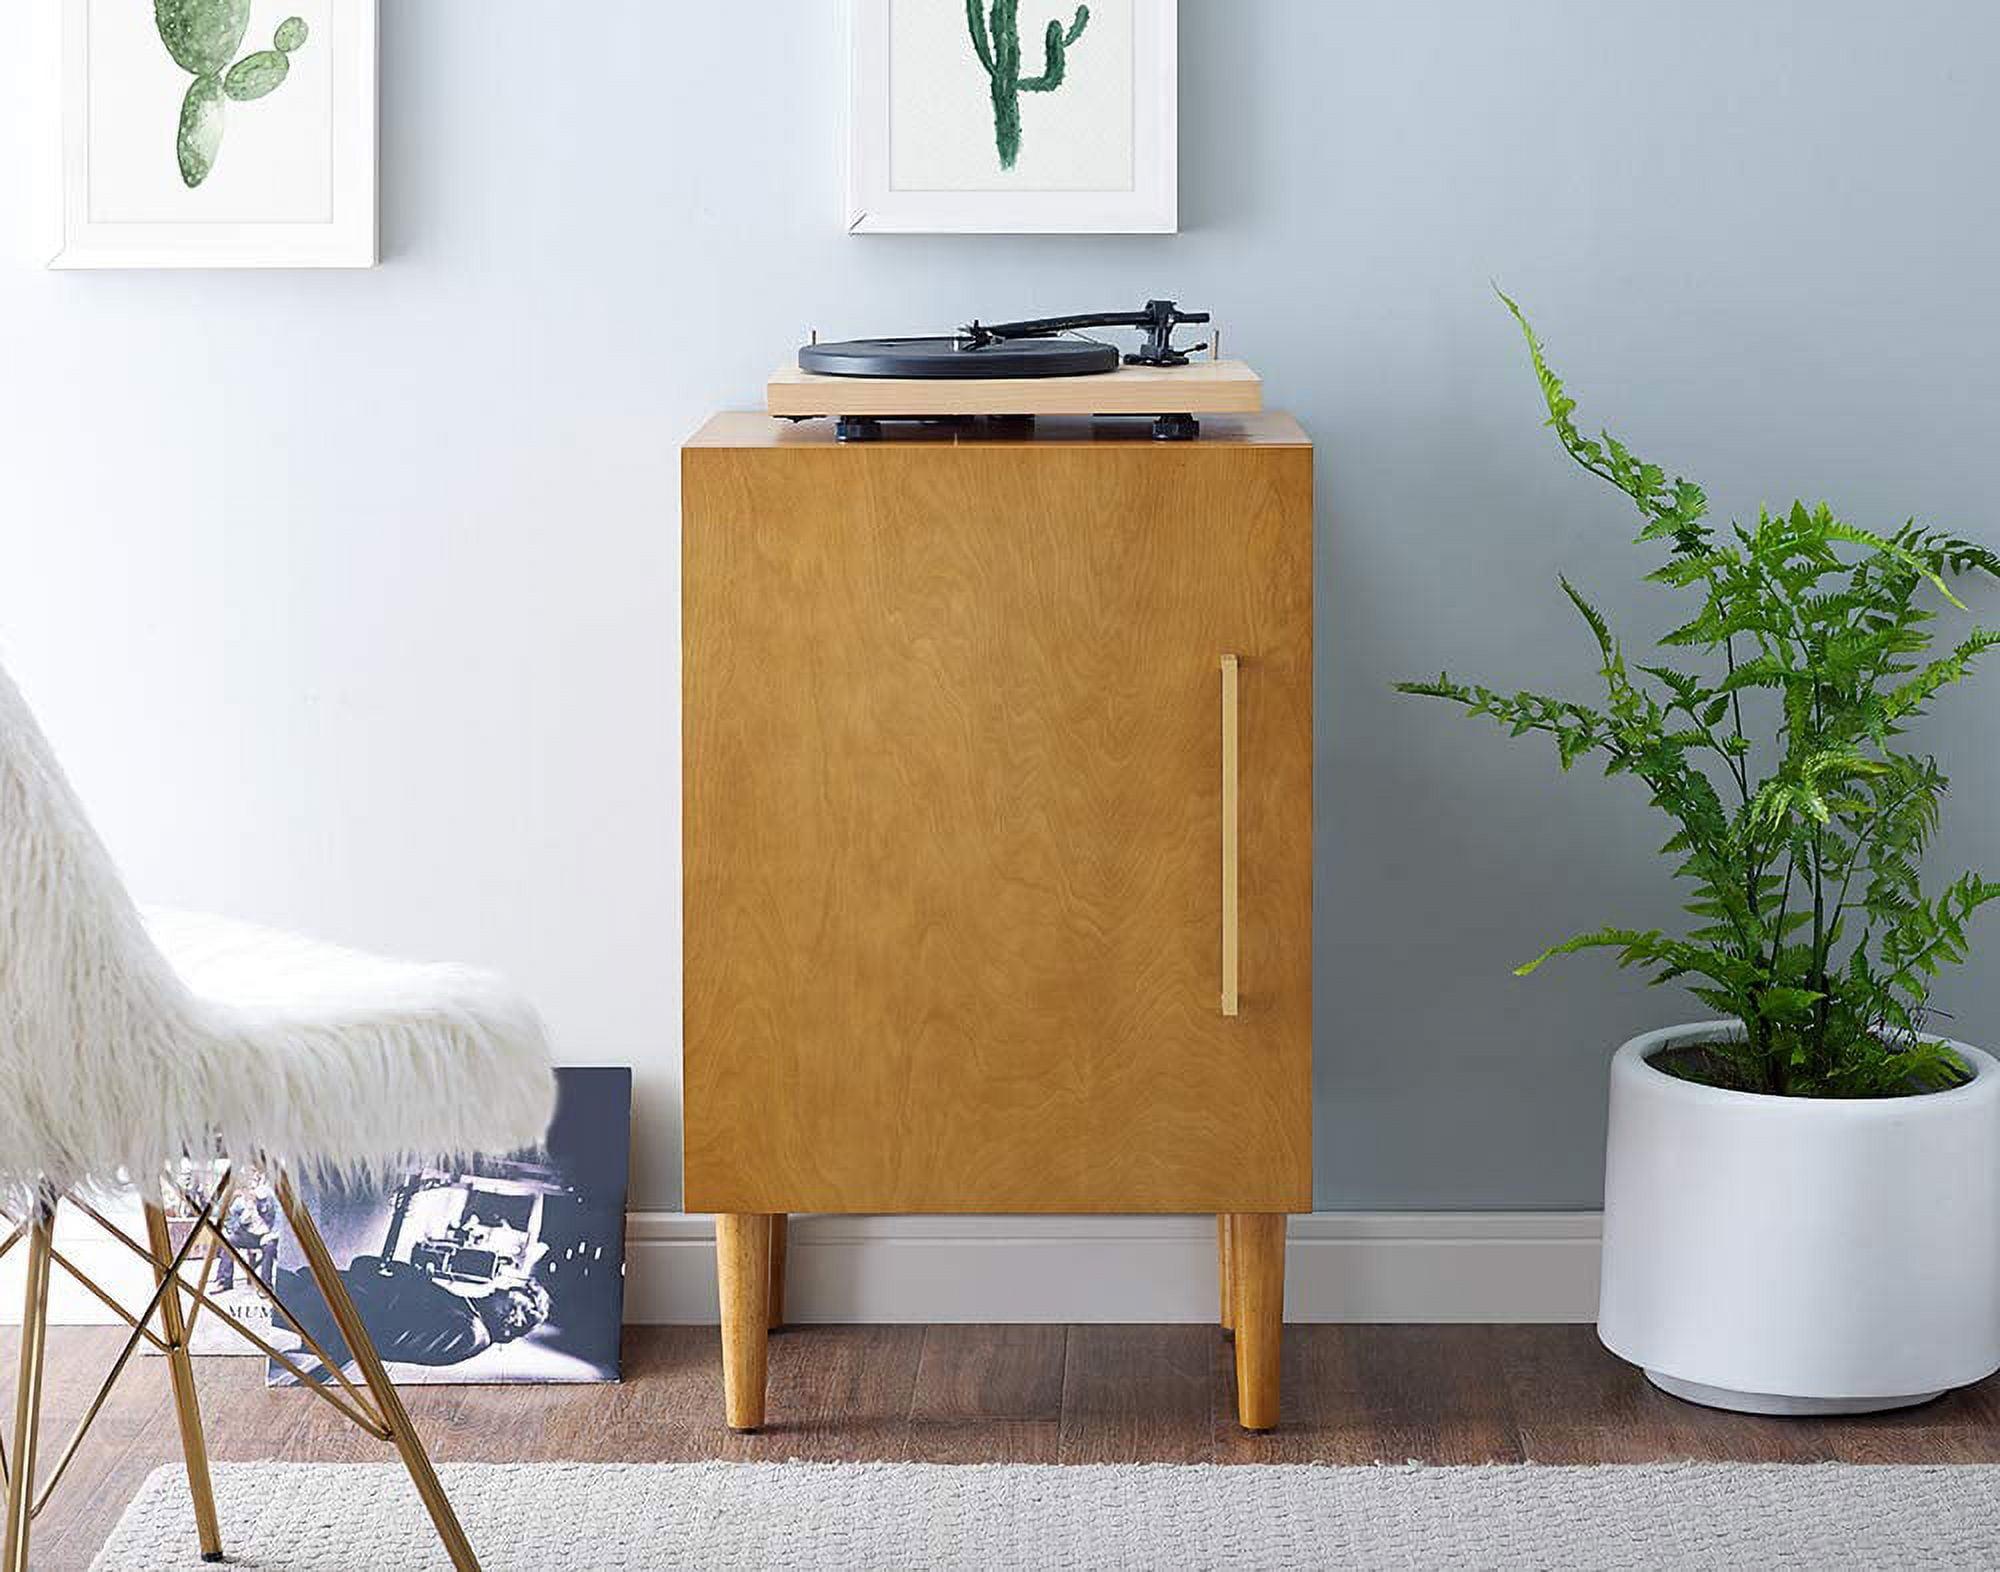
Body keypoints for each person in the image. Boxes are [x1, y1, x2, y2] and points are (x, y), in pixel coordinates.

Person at [273, 1254, 551, 1381]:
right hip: (326, 1303)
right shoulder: (470, 1319)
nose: (500, 1288)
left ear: (511, 1317)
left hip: (324, 1316)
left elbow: (387, 1335)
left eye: (508, 1294)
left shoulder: (468, 1333)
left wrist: (406, 1280)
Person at [215, 1170, 281, 1293]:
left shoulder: (269, 1198)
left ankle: (265, 1285)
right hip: (249, 1236)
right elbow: (228, 1217)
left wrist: (272, 1234)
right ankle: (224, 1281)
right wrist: (240, 1222)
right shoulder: (240, 1202)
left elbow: (279, 1216)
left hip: (266, 1235)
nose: (250, 1192)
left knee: (270, 1248)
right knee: (227, 1242)